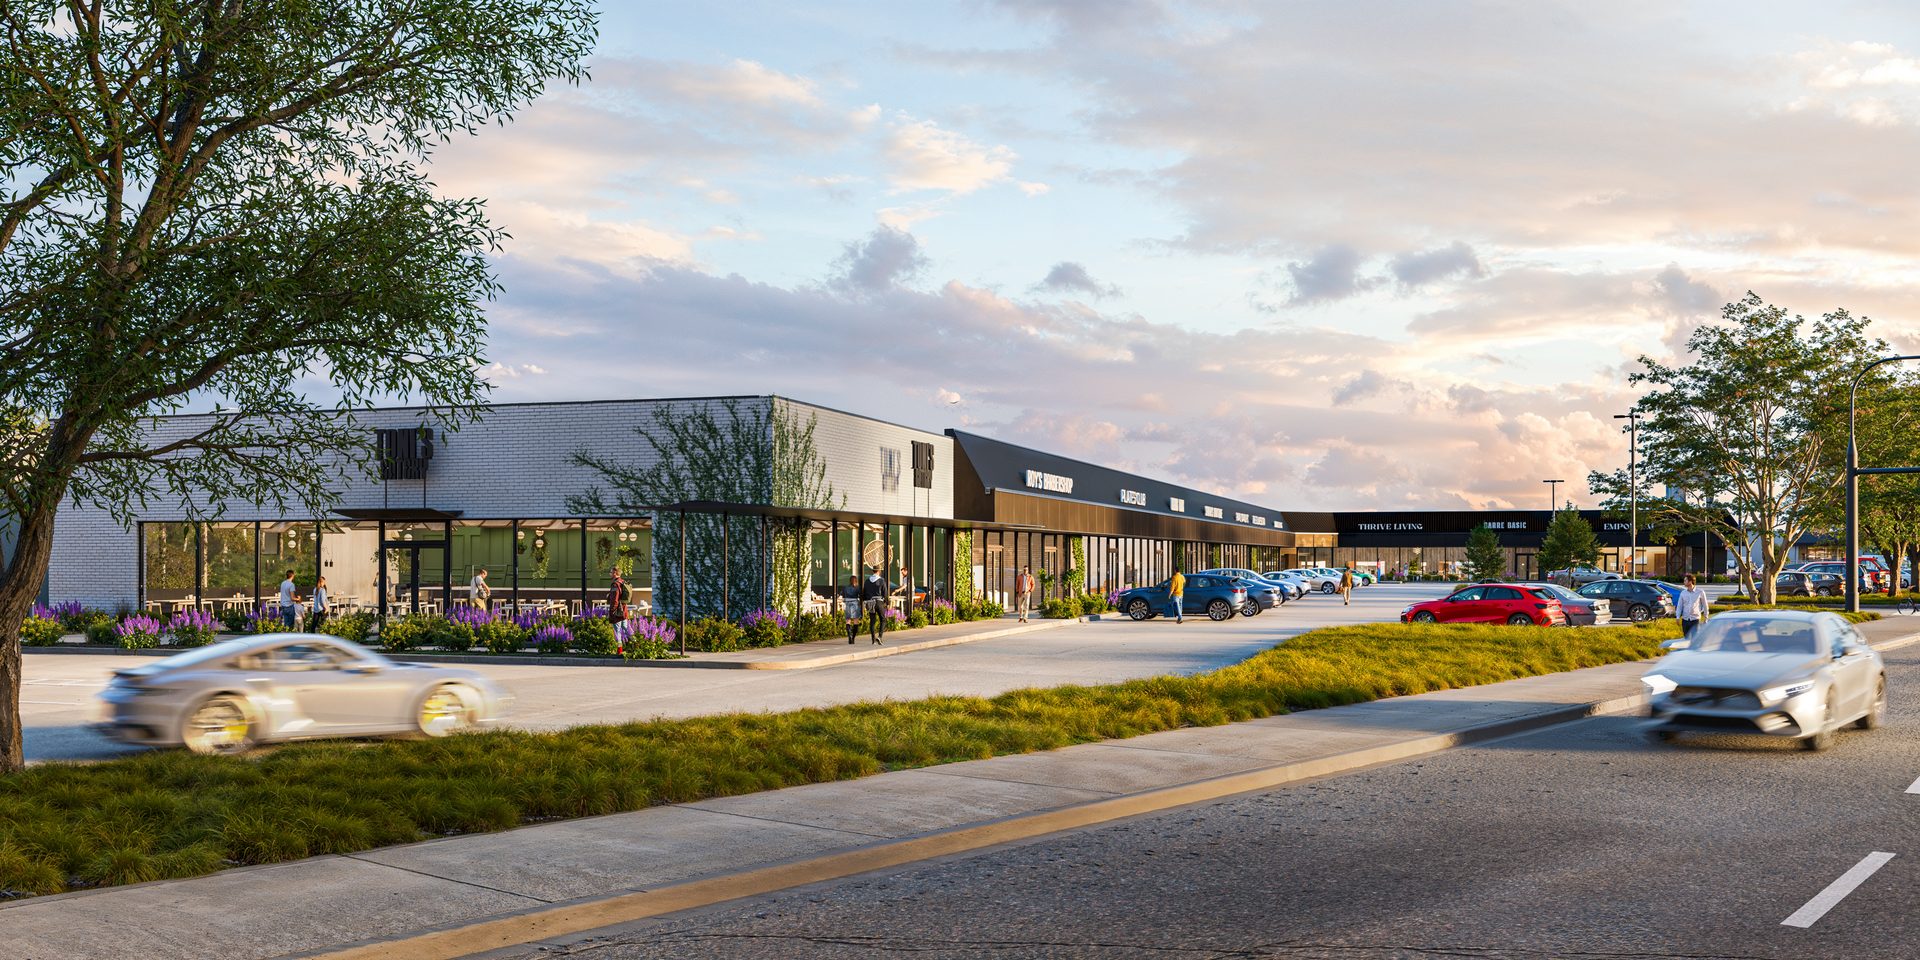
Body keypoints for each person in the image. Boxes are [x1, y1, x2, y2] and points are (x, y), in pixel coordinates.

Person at [861, 565, 888, 644]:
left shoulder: (867, 581)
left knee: (872, 621)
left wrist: (865, 601)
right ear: (879, 571)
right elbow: (885, 593)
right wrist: (887, 602)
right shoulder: (882, 580)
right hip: (879, 602)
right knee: (883, 619)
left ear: (872, 571)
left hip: (870, 602)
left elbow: (864, 593)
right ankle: (880, 636)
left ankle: (873, 638)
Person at [1677, 574, 1709, 639]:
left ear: (1690, 581)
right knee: (1686, 639)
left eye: (1685, 580)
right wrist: (1677, 617)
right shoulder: (1683, 593)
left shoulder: (1700, 592)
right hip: (1685, 620)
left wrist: (1706, 617)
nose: (1684, 582)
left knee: (1695, 639)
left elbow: (1705, 605)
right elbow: (1679, 606)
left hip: (1695, 620)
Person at [842, 573, 863, 644]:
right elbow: (861, 596)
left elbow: (843, 596)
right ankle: (853, 638)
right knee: (855, 621)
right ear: (856, 581)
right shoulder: (857, 588)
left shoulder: (846, 588)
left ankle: (849, 637)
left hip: (847, 604)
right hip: (855, 604)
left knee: (848, 621)